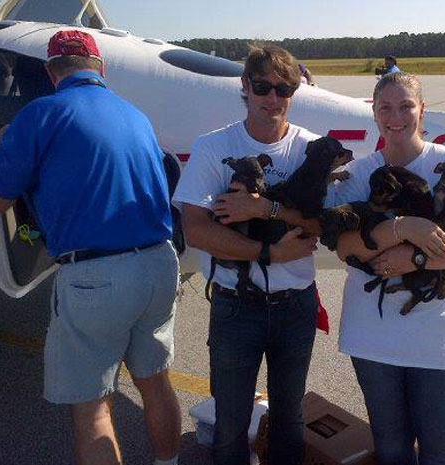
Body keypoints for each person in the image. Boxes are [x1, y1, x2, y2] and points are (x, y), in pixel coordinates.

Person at [0, 30, 181, 465]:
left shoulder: (40, 114)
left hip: (96, 275)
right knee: (155, 382)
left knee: (91, 405)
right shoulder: (135, 115)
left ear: (52, 72)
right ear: (100, 69)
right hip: (159, 264)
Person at [331, 72, 445, 465]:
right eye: (385, 108)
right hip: (372, 339)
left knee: (441, 450)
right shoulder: (359, 175)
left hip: (440, 337)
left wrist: (417, 257)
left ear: (422, 111)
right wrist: (403, 227)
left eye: (406, 105)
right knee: (391, 449)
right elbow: (344, 246)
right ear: (374, 114)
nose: (396, 116)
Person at [172, 45, 321, 465]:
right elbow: (196, 230)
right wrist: (269, 251)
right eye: (263, 87)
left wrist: (266, 209)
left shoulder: (310, 149)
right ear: (245, 87)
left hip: (296, 306)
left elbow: (325, 227)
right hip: (236, 307)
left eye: (284, 88)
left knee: (290, 418)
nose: (273, 98)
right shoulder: (213, 147)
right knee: (231, 421)